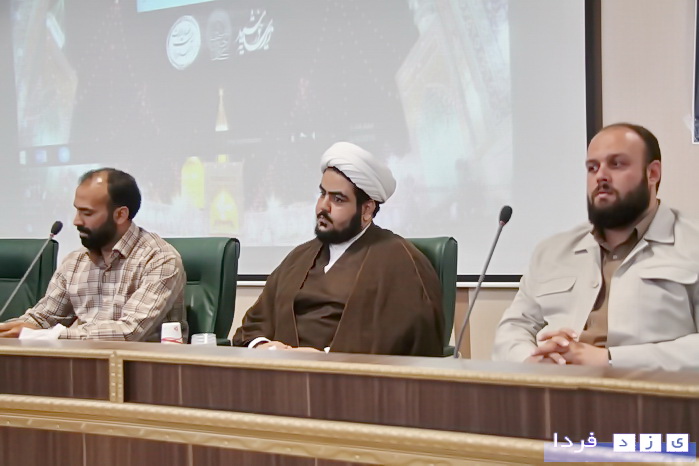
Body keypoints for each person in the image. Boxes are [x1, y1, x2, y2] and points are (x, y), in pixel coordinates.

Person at [492, 123, 699, 371]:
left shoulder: (692, 243)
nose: (601, 176)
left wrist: (609, 359)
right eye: (592, 167)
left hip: (648, 392)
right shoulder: (552, 251)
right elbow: (514, 327)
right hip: (553, 388)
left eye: (617, 164)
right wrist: (532, 359)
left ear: (652, 173)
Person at [232, 142, 444, 356]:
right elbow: (253, 327)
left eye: (338, 199)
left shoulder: (400, 259)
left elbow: (406, 337)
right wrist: (264, 346)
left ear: (366, 209)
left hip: (351, 375)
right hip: (282, 372)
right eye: (322, 194)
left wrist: (325, 357)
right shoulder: (299, 257)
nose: (323, 207)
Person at [0, 168, 186, 341]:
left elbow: (130, 331)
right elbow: (41, 319)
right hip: (80, 361)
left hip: (144, 364)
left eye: (87, 213)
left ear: (120, 215)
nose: (76, 221)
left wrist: (48, 335)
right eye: (77, 210)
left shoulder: (160, 259)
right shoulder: (75, 261)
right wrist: (13, 330)